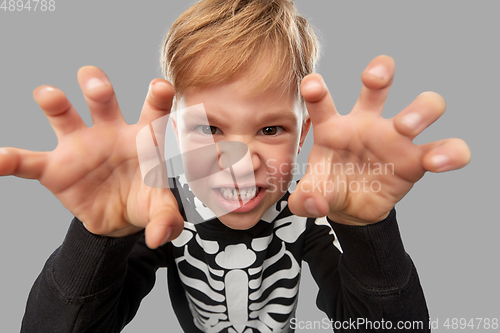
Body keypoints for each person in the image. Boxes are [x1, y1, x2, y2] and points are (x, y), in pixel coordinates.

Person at [0, 0, 470, 332]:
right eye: (209, 129)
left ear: (305, 134)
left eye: (270, 130)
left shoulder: (307, 210)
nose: (241, 166)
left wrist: (368, 229)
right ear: (174, 136)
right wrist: (98, 236)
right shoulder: (167, 213)